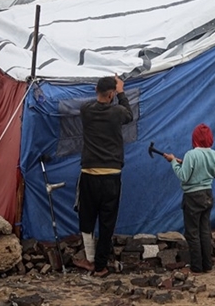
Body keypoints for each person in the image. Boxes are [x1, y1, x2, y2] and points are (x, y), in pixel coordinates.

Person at [75, 74, 133, 277]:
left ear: (95, 91)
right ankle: (100, 266)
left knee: (87, 218)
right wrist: (121, 92)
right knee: (107, 222)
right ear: (111, 95)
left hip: (89, 174)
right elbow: (129, 115)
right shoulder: (117, 112)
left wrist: (112, 91)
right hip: (111, 175)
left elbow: (99, 103)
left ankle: (90, 259)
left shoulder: (85, 110)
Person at [164, 124, 215, 274]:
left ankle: (196, 267)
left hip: (192, 197)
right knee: (204, 230)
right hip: (208, 195)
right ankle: (207, 265)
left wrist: (173, 162)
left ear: (195, 139)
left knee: (192, 232)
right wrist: (206, 172)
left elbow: (183, 176)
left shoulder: (191, 155)